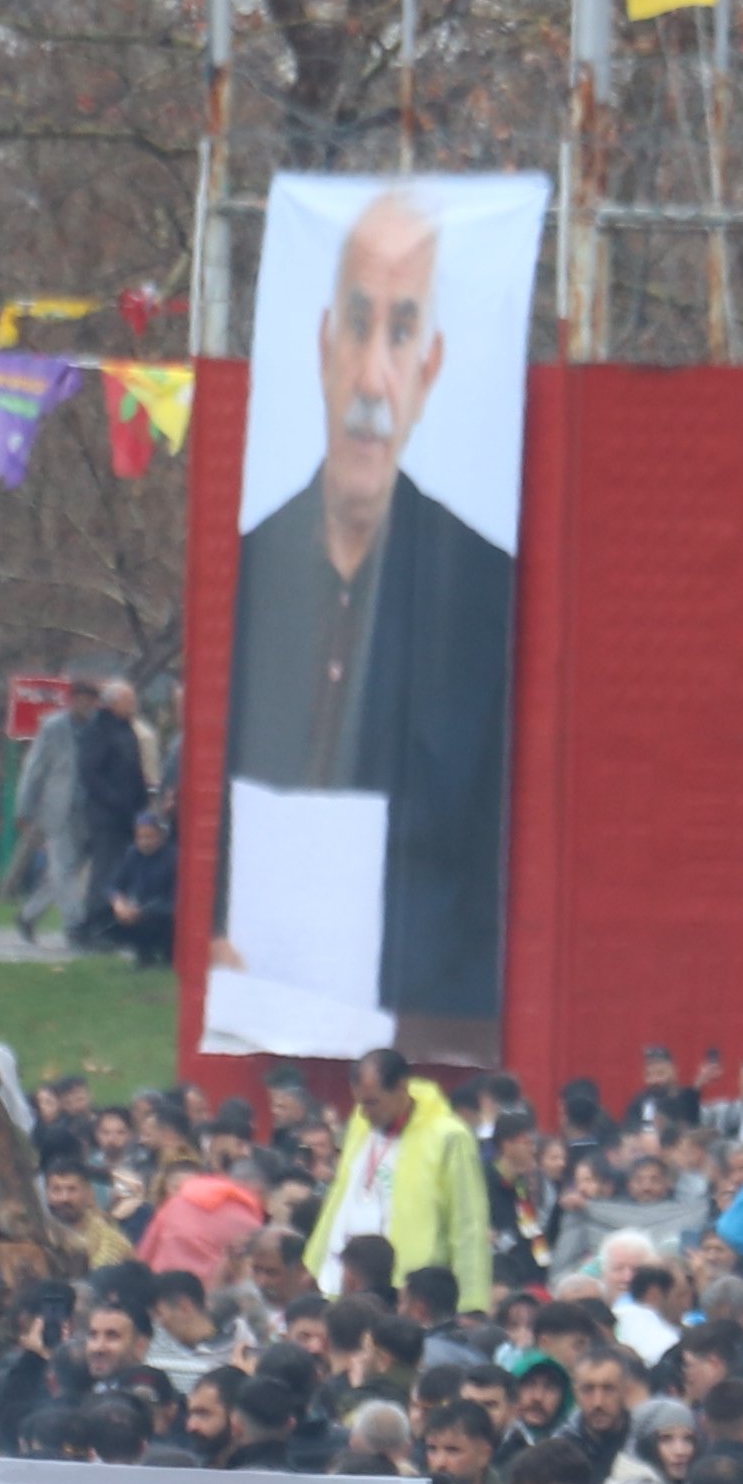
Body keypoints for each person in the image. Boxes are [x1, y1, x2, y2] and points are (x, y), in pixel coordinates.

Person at [223, 192, 515, 1032]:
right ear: (323, 347)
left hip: (423, 1004)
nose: (373, 382)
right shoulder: (252, 570)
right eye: (359, 327)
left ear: (430, 370)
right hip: (260, 996)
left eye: (402, 333)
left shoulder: (483, 591)